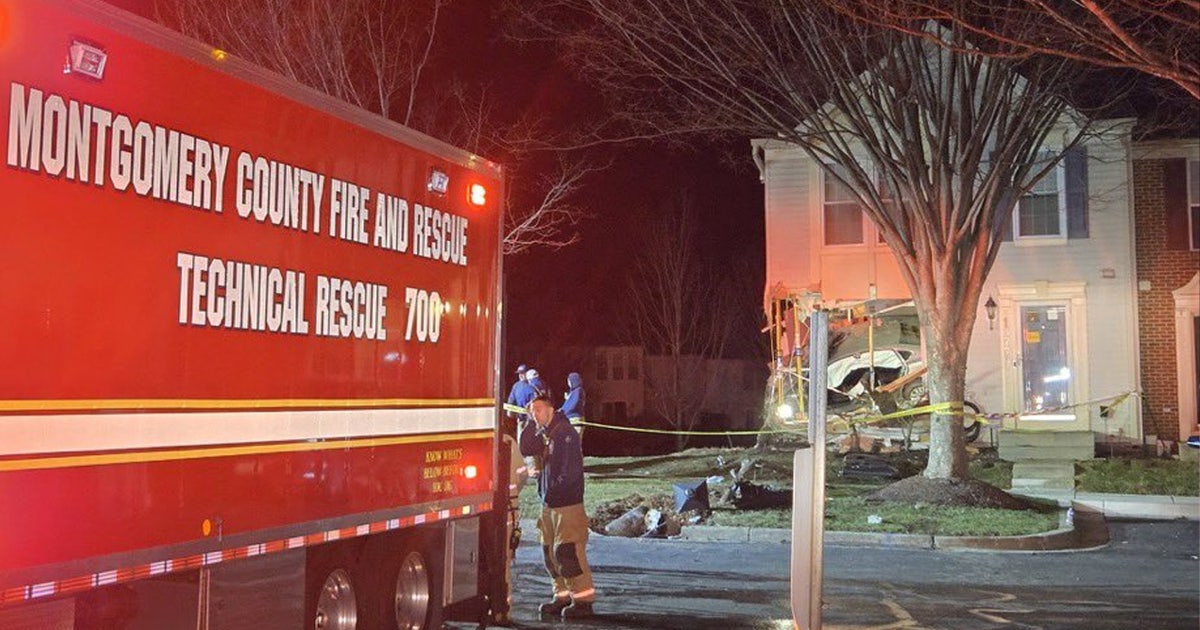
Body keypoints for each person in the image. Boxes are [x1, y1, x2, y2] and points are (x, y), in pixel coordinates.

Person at [519, 395, 595, 619]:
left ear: (552, 409)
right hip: (549, 504)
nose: (536, 413)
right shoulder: (547, 433)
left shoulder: (565, 434)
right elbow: (526, 447)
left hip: (567, 505)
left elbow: (570, 471)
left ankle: (583, 601)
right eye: (533, 410)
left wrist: (555, 489)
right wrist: (531, 422)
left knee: (567, 552)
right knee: (549, 554)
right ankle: (561, 596)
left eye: (539, 409)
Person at [560, 372, 586, 439]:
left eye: (569, 381)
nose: (568, 383)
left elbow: (573, 404)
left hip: (575, 420)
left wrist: (561, 411)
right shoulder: (574, 392)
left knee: (573, 442)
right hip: (571, 420)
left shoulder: (578, 391)